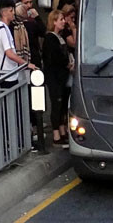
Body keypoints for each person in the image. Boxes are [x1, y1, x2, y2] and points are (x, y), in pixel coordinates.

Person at [42, 10, 72, 148]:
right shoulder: (50, 38)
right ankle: (56, 134)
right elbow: (54, 58)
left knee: (62, 104)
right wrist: (66, 63)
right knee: (56, 103)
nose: (63, 21)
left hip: (62, 76)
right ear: (54, 21)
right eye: (60, 19)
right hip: (55, 77)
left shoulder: (60, 37)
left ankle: (62, 130)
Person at [0, 0, 33, 84]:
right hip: (7, 75)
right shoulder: (3, 30)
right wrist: (26, 64)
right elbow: (9, 53)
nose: (13, 13)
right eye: (11, 11)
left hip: (6, 73)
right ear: (3, 13)